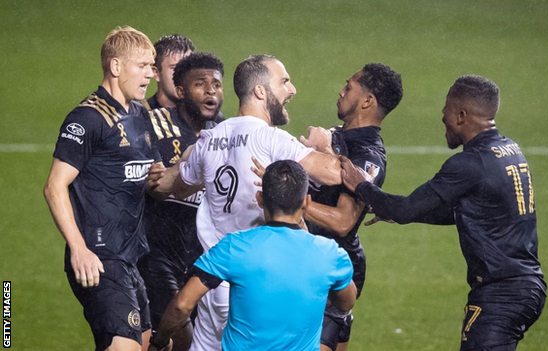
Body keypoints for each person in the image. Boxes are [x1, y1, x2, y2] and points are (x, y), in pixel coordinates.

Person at [148, 54, 343, 351]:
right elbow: (332, 174)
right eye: (284, 82)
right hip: (257, 285)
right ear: (261, 91)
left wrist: (162, 175)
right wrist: (325, 146)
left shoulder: (209, 140)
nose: (292, 90)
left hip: (213, 285)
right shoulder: (271, 139)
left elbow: (174, 186)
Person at [340, 75, 547, 351]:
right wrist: (395, 209)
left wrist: (362, 186)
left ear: (461, 115)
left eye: (446, 108)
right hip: (524, 286)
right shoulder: (509, 150)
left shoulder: (469, 163)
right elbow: (467, 212)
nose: (441, 116)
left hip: (502, 294)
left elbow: (405, 209)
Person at [148, 160, 357, 351]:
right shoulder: (330, 254)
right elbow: (346, 302)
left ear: (259, 198)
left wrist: (160, 342)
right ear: (306, 201)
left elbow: (182, 304)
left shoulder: (234, 246)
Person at [43, 26, 160, 351]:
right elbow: (54, 186)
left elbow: (149, 178)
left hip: (130, 258)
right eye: (142, 66)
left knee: (148, 343)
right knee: (125, 347)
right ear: (116, 66)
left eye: (151, 66)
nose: (150, 74)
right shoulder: (87, 119)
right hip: (98, 256)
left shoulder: (139, 115)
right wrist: (79, 248)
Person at [303, 63, 403, 351]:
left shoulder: (368, 156)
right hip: (309, 260)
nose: (341, 91)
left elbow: (344, 220)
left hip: (333, 266)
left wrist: (290, 203)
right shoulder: (336, 136)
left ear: (367, 101)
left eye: (348, 87)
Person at [138, 52, 225, 351]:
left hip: (203, 258)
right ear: (180, 91)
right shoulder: (153, 123)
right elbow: (155, 186)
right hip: (157, 254)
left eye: (216, 84)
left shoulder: (228, 133)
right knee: (181, 338)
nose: (211, 90)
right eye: (201, 84)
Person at [144, 34, 195, 110]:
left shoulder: (207, 117)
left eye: (188, 68)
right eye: (175, 68)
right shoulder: (138, 116)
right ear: (156, 73)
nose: (184, 76)